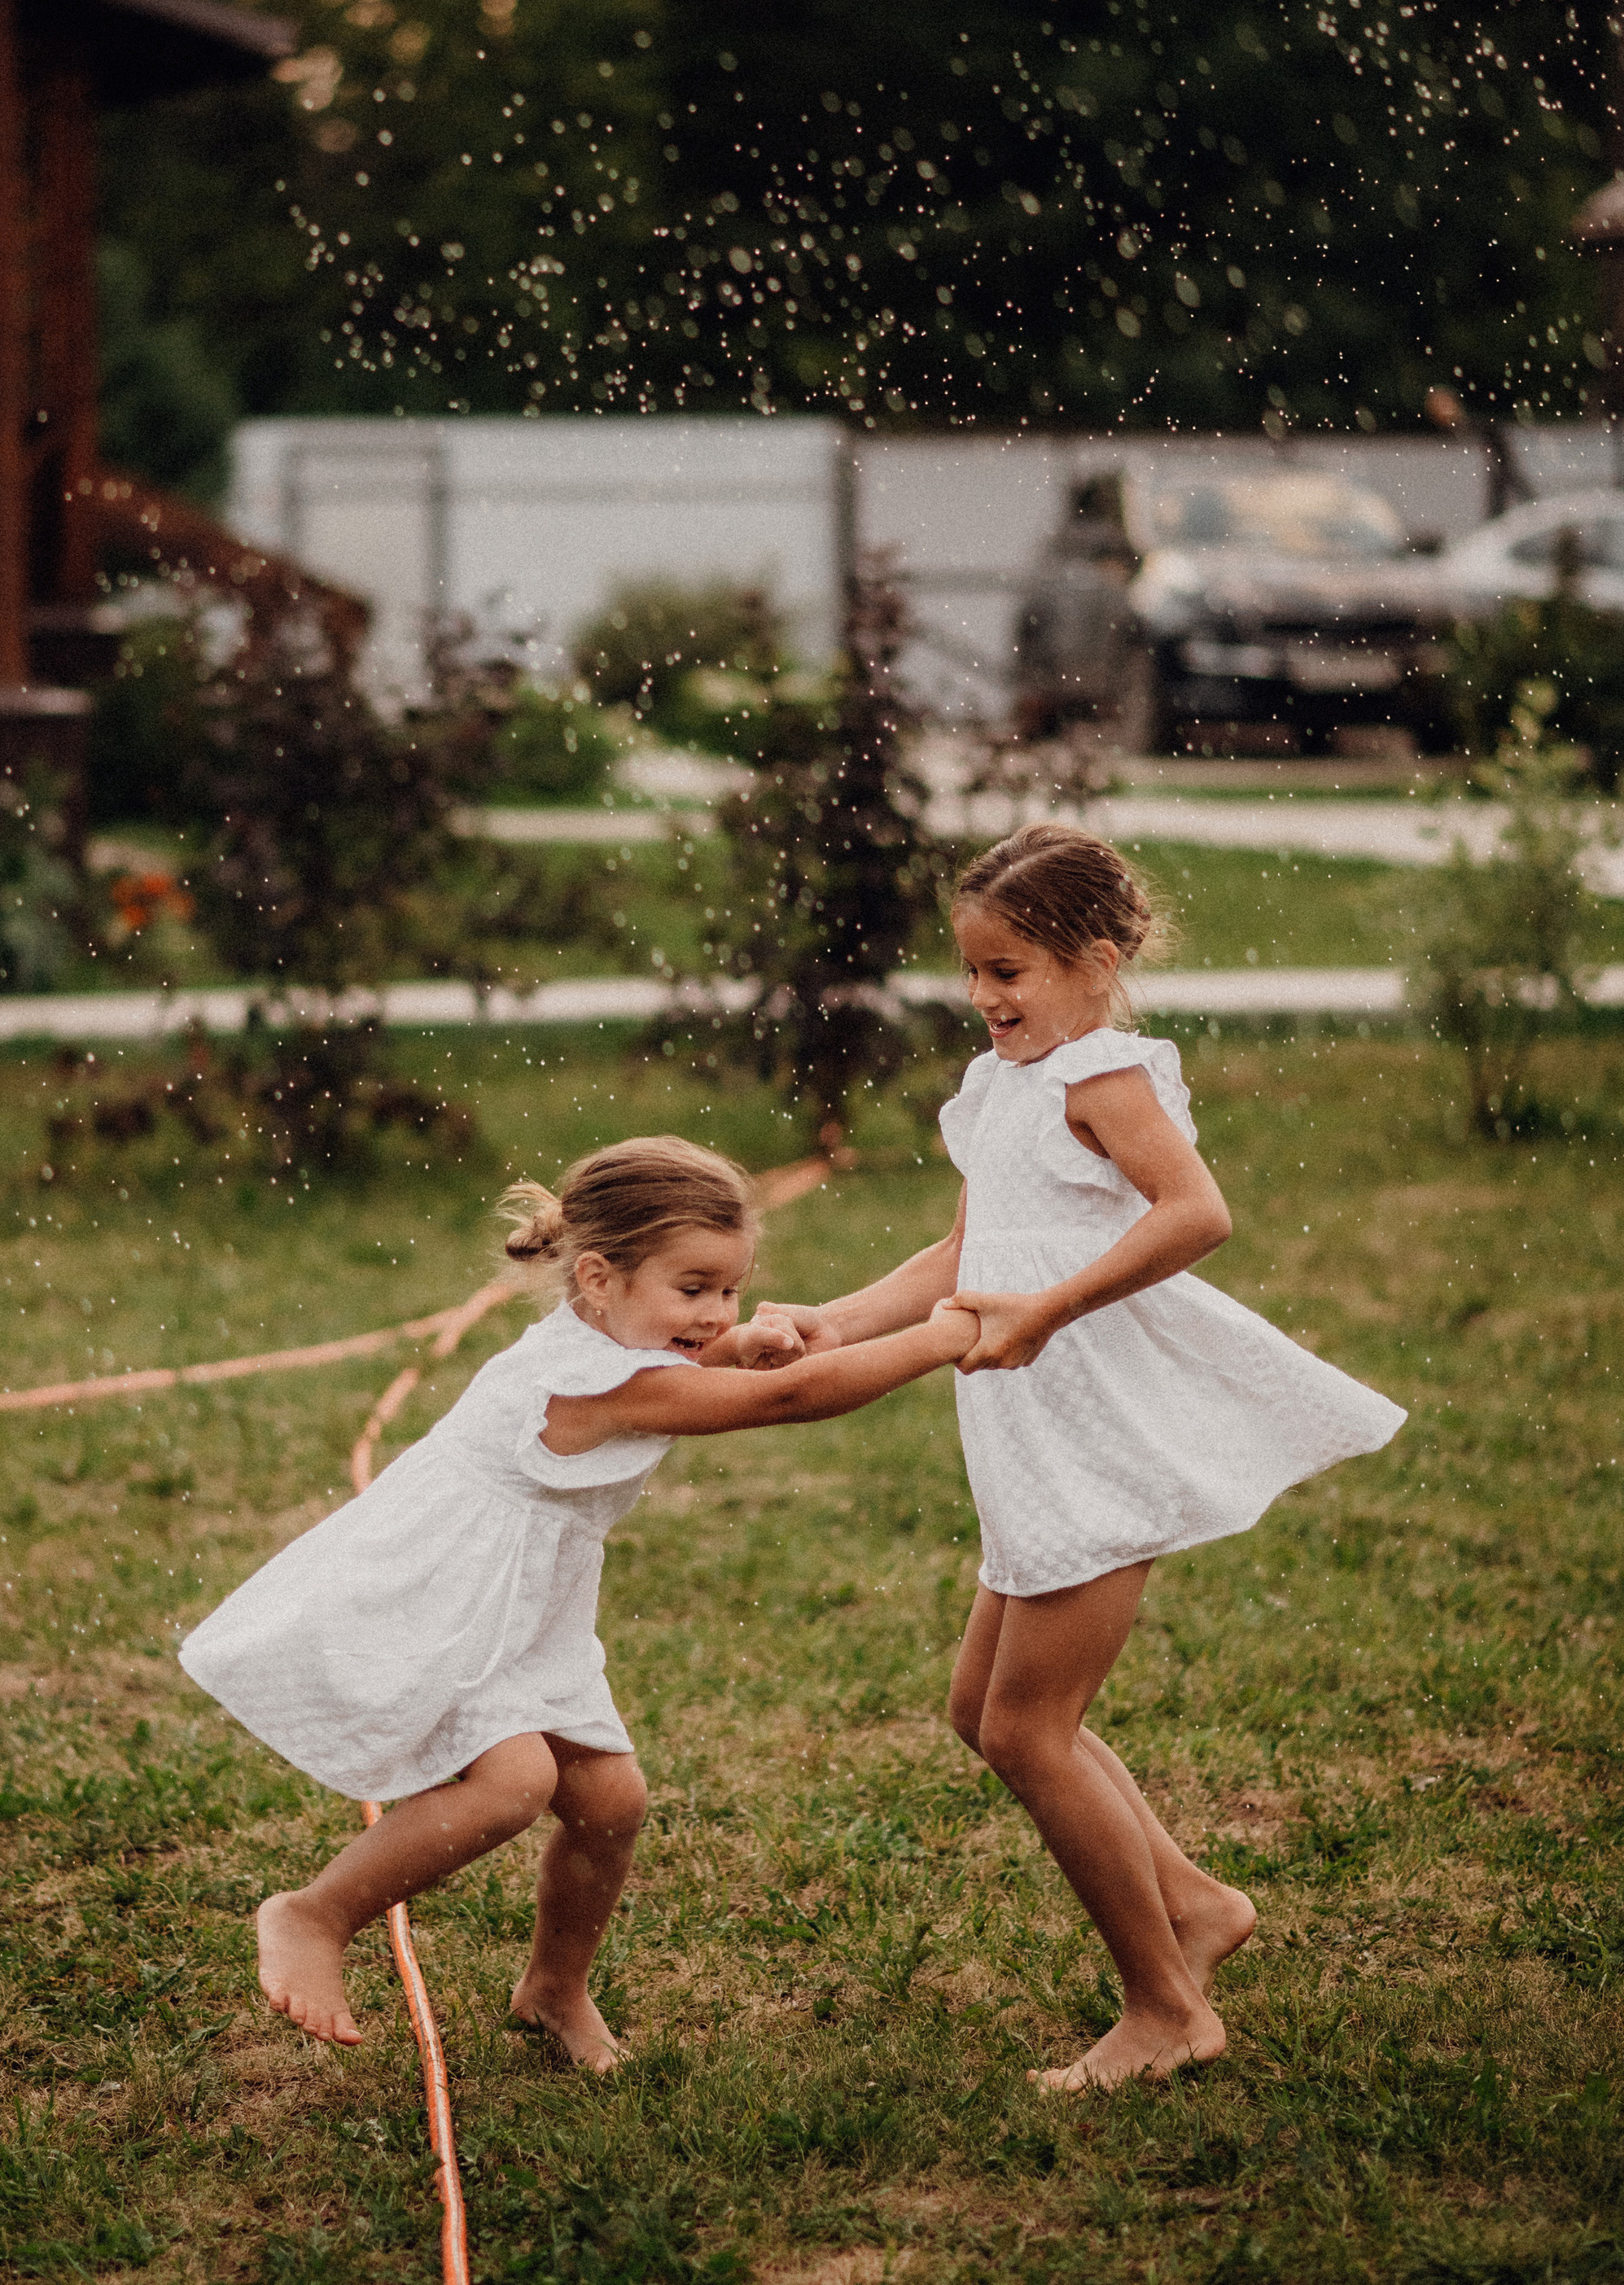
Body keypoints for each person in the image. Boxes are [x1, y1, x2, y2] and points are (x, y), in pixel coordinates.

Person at [760, 825, 1405, 2093]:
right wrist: (836, 1319)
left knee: (1030, 1729)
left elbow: (1197, 1213)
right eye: (973, 970)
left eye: (1009, 971)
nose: (985, 995)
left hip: (1098, 1427)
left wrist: (1050, 1309)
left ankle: (1167, 2008)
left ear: (1097, 962)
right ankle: (1198, 1906)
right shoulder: (1004, 1080)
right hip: (1029, 1426)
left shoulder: (1102, 1075)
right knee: (985, 1715)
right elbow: (966, 1251)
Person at [179, 1136, 979, 2071]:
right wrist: (944, 1337)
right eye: (694, 1289)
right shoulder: (591, 1380)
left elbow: (687, 1365)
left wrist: (730, 1345)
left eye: (730, 1289)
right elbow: (788, 1399)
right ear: (598, 1278)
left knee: (609, 1801)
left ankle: (553, 1990)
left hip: (530, 1603)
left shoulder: (610, 1341)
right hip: (451, 1596)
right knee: (512, 1784)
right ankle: (314, 1914)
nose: (716, 1311)